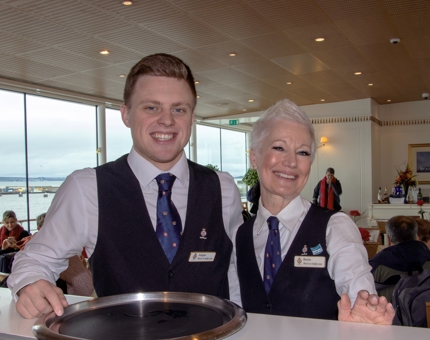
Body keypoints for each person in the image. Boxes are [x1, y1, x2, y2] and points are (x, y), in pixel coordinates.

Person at [8, 53, 243, 319]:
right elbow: (36, 259)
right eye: (151, 107)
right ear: (126, 114)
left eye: (179, 109)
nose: (167, 121)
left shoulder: (222, 188)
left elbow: (234, 270)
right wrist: (29, 283)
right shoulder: (87, 188)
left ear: (191, 117)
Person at [235, 99, 394, 324]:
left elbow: (358, 287)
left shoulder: (335, 227)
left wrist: (366, 316)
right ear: (254, 157)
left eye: (303, 153)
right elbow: (235, 311)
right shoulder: (240, 236)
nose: (291, 162)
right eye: (279, 148)